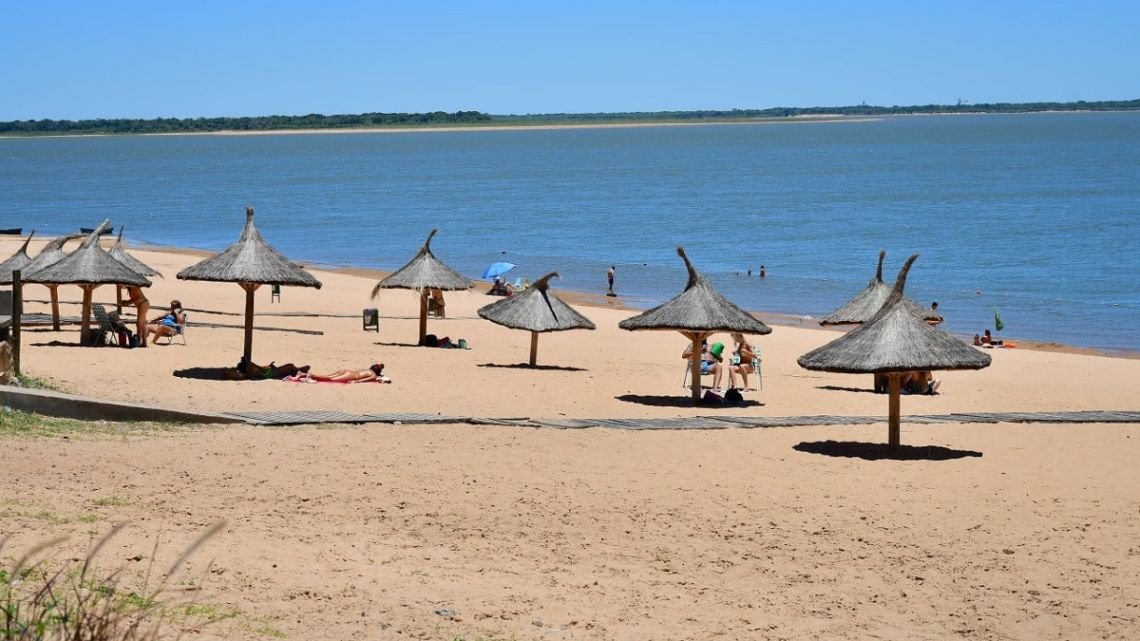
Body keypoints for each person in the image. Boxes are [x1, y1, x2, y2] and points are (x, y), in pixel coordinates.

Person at [226, 358, 309, 380]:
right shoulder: (251, 371)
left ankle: (299, 370)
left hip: (270, 372)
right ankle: (299, 370)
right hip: (272, 373)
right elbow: (260, 369)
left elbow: (260, 369)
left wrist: (269, 366)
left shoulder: (251, 371)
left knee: (290, 366)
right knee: (290, 366)